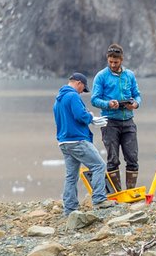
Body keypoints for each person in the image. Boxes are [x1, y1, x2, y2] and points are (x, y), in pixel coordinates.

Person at [53, 72, 111, 215]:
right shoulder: (73, 96)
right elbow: (80, 116)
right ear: (79, 83)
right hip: (77, 140)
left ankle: (70, 209)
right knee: (98, 165)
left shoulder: (58, 99)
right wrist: (90, 116)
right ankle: (99, 199)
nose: (82, 92)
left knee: (71, 176)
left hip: (64, 142)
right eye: (83, 89)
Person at [90, 43, 141, 192]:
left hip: (128, 121)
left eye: (116, 62)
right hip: (109, 122)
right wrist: (108, 104)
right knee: (112, 159)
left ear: (121, 60)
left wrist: (135, 104)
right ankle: (117, 193)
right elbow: (94, 99)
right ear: (107, 59)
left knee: (132, 158)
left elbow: (137, 95)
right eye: (110, 61)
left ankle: (130, 192)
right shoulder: (101, 76)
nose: (113, 64)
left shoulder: (129, 75)